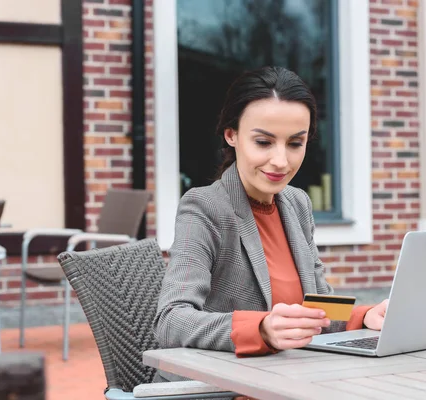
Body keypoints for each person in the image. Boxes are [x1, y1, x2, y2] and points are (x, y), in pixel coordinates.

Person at [153, 66, 388, 372]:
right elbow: (170, 320)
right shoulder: (204, 207)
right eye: (263, 142)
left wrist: (365, 316)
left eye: (294, 144)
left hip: (293, 378)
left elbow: (318, 308)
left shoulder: (297, 203)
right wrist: (261, 328)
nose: (280, 161)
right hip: (227, 385)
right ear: (232, 135)